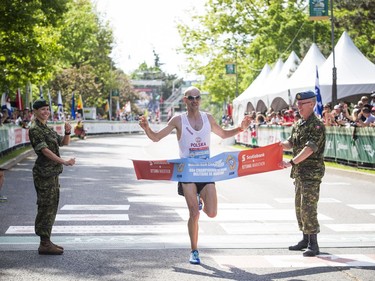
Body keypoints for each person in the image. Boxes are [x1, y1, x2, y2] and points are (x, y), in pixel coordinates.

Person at [138, 86, 251, 265]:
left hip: (206, 170)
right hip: (187, 172)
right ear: (185, 100)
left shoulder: (208, 118)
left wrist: (240, 128)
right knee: (193, 213)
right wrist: (146, 128)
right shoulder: (178, 120)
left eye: (197, 97)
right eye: (191, 98)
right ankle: (194, 250)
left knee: (212, 213)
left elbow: (223, 134)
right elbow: (156, 137)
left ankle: (199, 201)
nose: (194, 100)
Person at [279, 90, 325, 257]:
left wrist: (291, 162)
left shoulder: (317, 125)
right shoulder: (299, 124)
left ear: (311, 104)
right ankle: (305, 239)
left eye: (301, 104)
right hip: (299, 173)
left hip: (311, 173)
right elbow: (291, 143)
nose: (298, 107)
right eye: (297, 104)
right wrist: (279, 146)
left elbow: (309, 149)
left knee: (308, 207)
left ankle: (314, 243)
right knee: (299, 207)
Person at [28, 99, 76, 255]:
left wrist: (68, 131)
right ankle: (44, 243)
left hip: (52, 173)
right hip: (43, 174)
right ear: (35, 111)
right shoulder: (35, 129)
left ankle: (47, 240)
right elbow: (45, 151)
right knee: (45, 206)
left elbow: (64, 142)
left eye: (47, 109)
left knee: (52, 206)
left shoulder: (46, 128)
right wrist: (64, 161)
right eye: (42, 109)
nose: (46, 112)